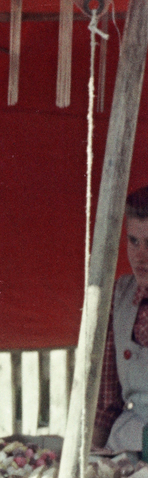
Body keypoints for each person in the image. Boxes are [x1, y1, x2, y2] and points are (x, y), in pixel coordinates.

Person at [93, 182, 148, 451]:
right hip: (126, 447)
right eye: (133, 241)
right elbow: (106, 403)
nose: (141, 256)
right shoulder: (122, 295)